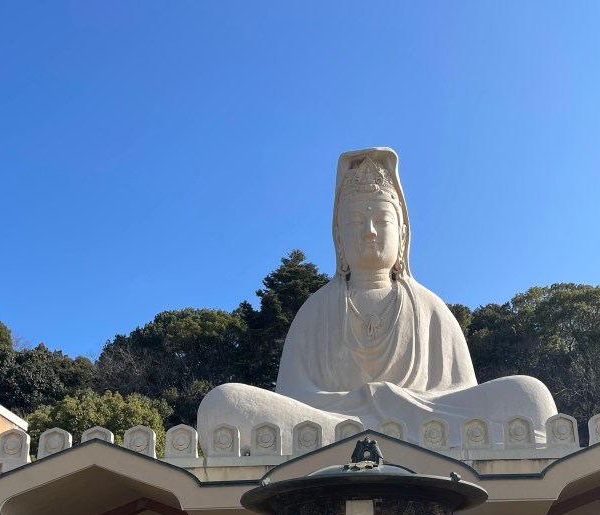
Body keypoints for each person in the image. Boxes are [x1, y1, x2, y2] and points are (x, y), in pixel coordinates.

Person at [198, 149, 556, 451]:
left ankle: (363, 437)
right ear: (338, 238)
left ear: (402, 235)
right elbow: (294, 398)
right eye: (355, 222)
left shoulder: (431, 309)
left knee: (529, 396)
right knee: (222, 403)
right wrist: (361, 407)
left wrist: (393, 401)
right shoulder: (315, 310)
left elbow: (458, 393)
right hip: (331, 424)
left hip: (424, 421)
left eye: (381, 220)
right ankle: (362, 435)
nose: (368, 232)